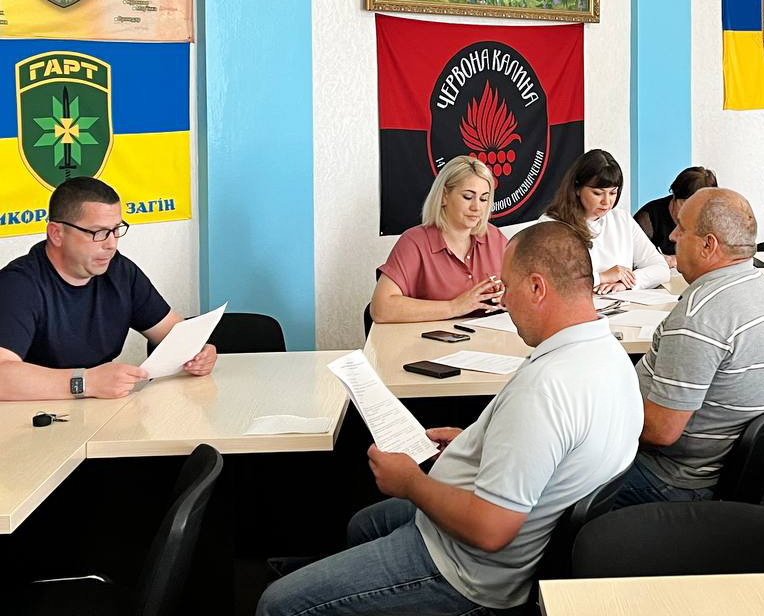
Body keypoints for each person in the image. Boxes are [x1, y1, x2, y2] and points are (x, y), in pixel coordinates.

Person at [257, 221, 642, 616]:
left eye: (508, 287)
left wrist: (411, 482)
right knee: (364, 525)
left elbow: (490, 530)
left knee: (277, 604)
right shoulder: (611, 356)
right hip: (503, 534)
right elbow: (548, 450)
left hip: (467, 571)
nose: (505, 302)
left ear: (537, 288)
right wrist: (476, 445)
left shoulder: (544, 390)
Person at [615, 188, 764, 507]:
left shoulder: (700, 317)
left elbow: (660, 432)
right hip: (718, 470)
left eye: (681, 229)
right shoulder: (760, 287)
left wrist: (596, 421)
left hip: (669, 479)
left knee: (551, 479)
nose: (672, 236)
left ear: (708, 245)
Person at [0, 177, 216, 401]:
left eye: (116, 230)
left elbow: (174, 333)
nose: (111, 244)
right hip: (21, 421)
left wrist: (200, 352)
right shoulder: (18, 285)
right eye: (98, 233)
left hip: (94, 415)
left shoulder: (120, 272)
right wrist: (87, 382)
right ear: (56, 233)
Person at [371, 156, 508, 322]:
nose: (477, 207)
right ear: (444, 196)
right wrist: (454, 307)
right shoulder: (414, 242)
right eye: (467, 196)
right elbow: (381, 309)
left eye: (484, 199)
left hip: (488, 336)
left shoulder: (495, 238)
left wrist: (507, 298)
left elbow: (524, 292)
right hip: (431, 338)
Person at [543, 149, 670, 294]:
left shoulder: (621, 219)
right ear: (577, 188)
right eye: (597, 193)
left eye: (613, 192)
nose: (607, 201)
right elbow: (551, 282)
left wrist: (626, 283)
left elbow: (661, 268)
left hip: (620, 303)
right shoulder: (551, 225)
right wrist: (602, 277)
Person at [633, 166, 718, 267]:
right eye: (687, 205)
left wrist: (676, 260)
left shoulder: (713, 218)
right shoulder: (647, 219)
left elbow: (719, 255)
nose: (694, 212)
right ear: (674, 196)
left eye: (701, 208)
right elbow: (635, 260)